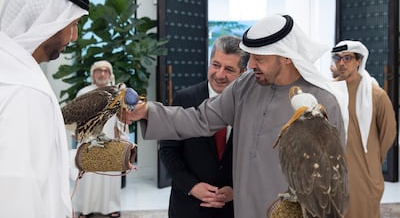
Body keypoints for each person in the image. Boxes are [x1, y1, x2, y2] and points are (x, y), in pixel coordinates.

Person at [128, 14, 349, 218]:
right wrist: (147, 111)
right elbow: (200, 119)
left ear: (286, 58)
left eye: (259, 59)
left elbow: (331, 181)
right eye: (251, 57)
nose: (251, 65)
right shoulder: (246, 86)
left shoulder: (322, 102)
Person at [0, 0, 89, 217]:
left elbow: (32, 163)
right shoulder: (25, 89)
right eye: (73, 24)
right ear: (48, 20)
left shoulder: (10, 72)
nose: (75, 36)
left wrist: (78, 159)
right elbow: (15, 186)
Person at [159, 35, 249, 218]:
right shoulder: (184, 99)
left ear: (243, 72)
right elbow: (168, 149)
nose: (220, 74)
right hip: (188, 205)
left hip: (233, 208)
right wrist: (192, 186)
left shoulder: (250, 106)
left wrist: (236, 189)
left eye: (229, 69)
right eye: (216, 65)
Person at [331, 40, 397, 218]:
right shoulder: (329, 91)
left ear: (359, 61)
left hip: (365, 171)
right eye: (337, 58)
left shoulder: (375, 94)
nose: (342, 63)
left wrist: (373, 158)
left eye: (347, 58)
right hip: (334, 169)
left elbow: (388, 131)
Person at [74, 60, 128, 218]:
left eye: (106, 71)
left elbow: (123, 119)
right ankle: (85, 209)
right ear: (93, 74)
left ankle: (112, 208)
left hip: (110, 141)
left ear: (110, 74)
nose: (102, 74)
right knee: (88, 179)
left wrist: (122, 140)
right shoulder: (83, 93)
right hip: (88, 142)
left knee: (109, 179)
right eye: (99, 70)